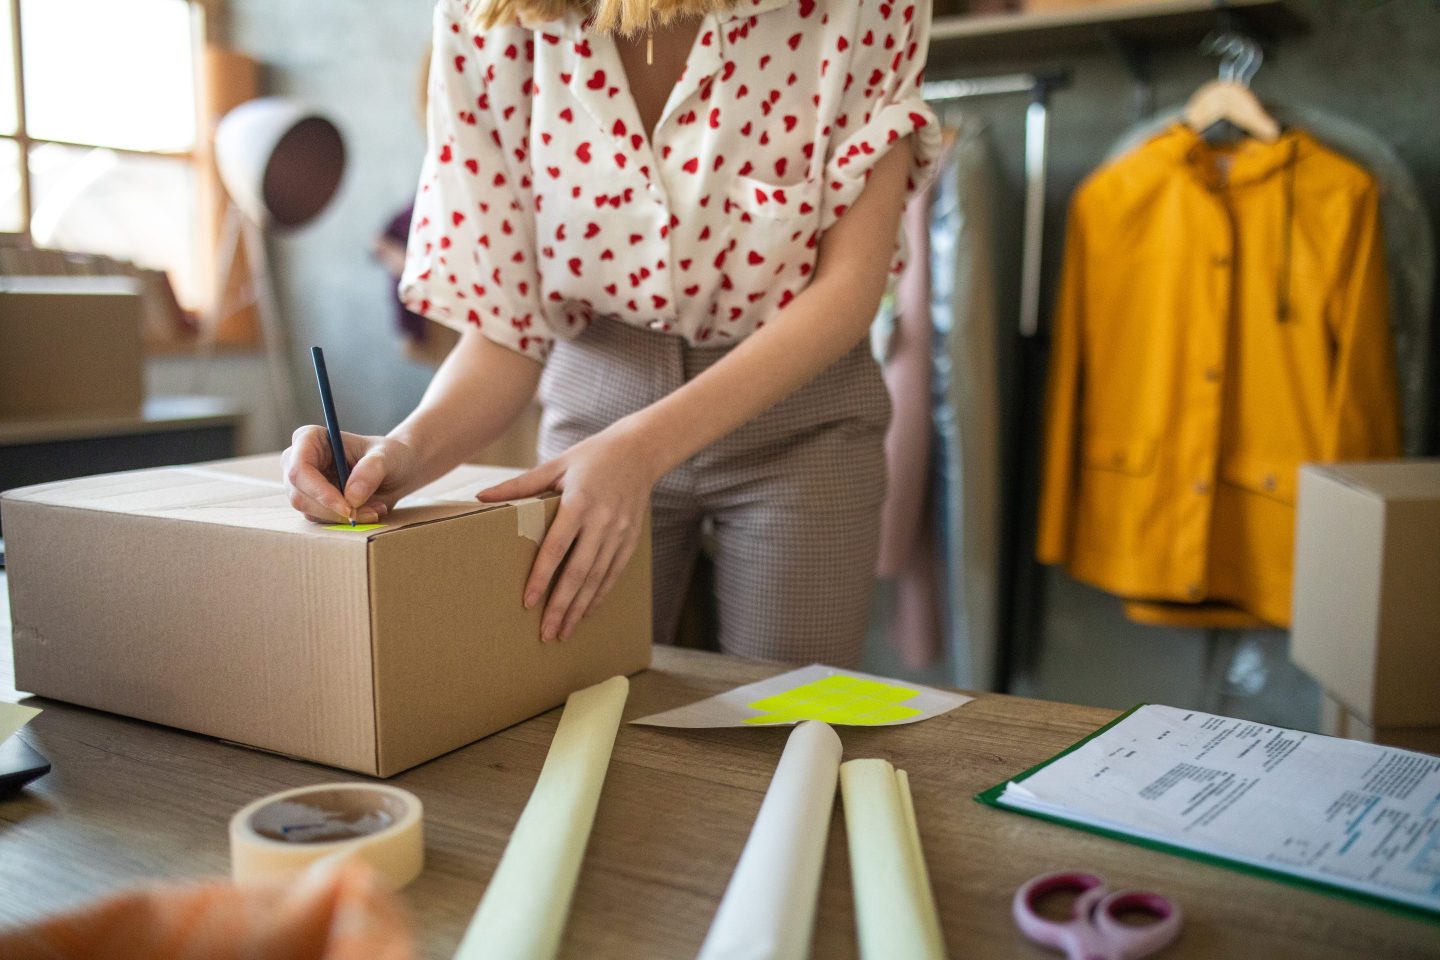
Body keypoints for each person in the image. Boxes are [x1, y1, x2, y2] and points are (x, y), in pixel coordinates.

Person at [283, 0, 940, 665]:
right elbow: (507, 331)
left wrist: (640, 448)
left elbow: (848, 292)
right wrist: (399, 455)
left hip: (800, 417)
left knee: (787, 728)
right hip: (593, 416)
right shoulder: (486, 16)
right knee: (581, 715)